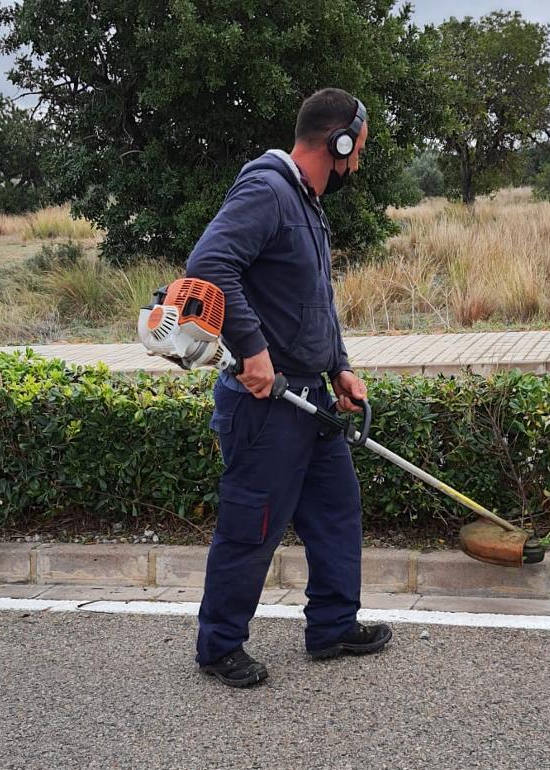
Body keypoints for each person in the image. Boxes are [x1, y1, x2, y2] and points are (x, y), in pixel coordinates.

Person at [185, 88, 392, 688]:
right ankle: (219, 646)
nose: (359, 162)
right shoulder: (268, 190)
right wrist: (252, 350)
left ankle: (332, 627)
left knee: (336, 509)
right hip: (267, 404)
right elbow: (208, 265)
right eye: (359, 148)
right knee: (253, 526)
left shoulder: (306, 205)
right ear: (341, 142)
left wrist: (341, 367)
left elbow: (313, 304)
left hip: (311, 398)